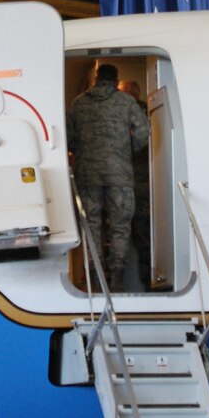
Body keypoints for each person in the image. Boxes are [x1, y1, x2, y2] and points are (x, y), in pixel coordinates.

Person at [68, 62, 148, 287]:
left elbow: (70, 137)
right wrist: (126, 151)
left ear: (95, 79)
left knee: (92, 227)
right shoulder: (127, 101)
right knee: (120, 227)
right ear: (115, 81)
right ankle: (117, 281)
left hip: (87, 175)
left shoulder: (79, 103)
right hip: (120, 175)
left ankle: (96, 280)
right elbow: (143, 131)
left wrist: (82, 151)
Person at [118, 78, 153, 289]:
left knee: (141, 238)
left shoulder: (144, 116)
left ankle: (145, 284)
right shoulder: (149, 114)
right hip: (131, 184)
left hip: (138, 185)